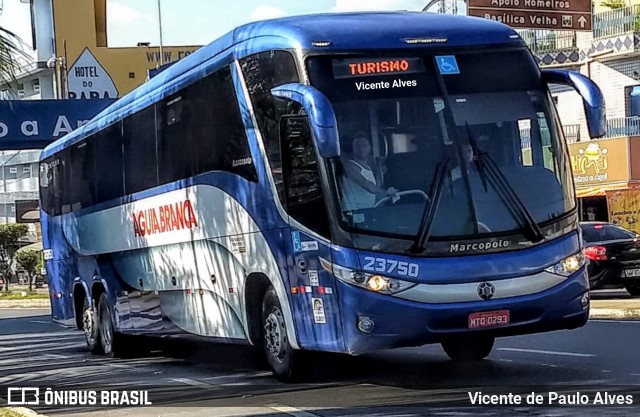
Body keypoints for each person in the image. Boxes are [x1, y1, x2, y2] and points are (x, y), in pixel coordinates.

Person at [340, 132, 398, 210]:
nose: (361, 149)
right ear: (353, 148)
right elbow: (367, 185)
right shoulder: (350, 166)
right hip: (354, 212)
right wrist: (386, 193)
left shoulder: (368, 167)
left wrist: (380, 174)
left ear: (369, 148)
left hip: (368, 210)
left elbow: (374, 188)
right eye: (357, 146)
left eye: (364, 145)